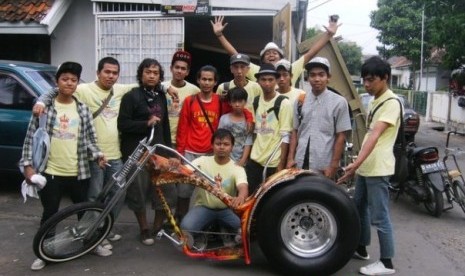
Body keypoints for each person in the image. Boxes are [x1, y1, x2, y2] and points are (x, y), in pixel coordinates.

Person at [32, 57, 138, 250]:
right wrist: (41, 101)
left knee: (117, 194)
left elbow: (146, 82)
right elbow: (59, 89)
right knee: (92, 198)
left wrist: (166, 88)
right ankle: (86, 236)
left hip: (112, 155)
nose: (111, 76)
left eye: (115, 73)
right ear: (98, 73)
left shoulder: (118, 90)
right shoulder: (82, 90)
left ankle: (104, 229)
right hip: (87, 159)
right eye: (107, 72)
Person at [20, 62, 109, 270]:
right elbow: (30, 139)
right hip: (51, 172)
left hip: (78, 172)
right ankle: (44, 251)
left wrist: (98, 155)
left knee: (84, 211)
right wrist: (27, 166)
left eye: (73, 80)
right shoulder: (44, 109)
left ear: (78, 83)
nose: (69, 83)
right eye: (65, 79)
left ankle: (90, 243)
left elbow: (90, 140)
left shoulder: (83, 110)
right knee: (50, 213)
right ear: (57, 81)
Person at [337, 56, 400, 275]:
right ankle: (362, 247)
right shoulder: (374, 100)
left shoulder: (391, 103)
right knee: (358, 207)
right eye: (364, 80)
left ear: (385, 78)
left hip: (378, 168)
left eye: (371, 80)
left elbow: (374, 136)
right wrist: (358, 165)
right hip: (366, 166)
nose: (366, 84)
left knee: (380, 217)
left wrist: (354, 164)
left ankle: (387, 262)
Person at [117, 58, 177, 246]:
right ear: (141, 74)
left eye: (155, 73)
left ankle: (157, 226)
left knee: (167, 190)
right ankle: (144, 229)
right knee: (138, 192)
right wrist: (145, 123)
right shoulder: (131, 96)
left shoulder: (160, 96)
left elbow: (165, 126)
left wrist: (170, 152)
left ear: (160, 76)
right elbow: (122, 124)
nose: (152, 76)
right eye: (148, 72)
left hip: (159, 152)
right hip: (137, 153)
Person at [210, 15, 339, 85]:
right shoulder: (257, 71)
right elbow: (236, 56)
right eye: (268, 53)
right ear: (262, 60)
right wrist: (219, 35)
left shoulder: (290, 69)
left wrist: (328, 35)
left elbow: (310, 54)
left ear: (281, 57)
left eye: (275, 53)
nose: (271, 55)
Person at [180, 128, 248, 247]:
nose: (222, 147)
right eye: (218, 144)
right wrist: (176, 164)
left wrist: (241, 197)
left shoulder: (237, 167)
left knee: (245, 227)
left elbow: (243, 186)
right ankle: (203, 232)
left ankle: (224, 229)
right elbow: (183, 170)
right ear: (212, 145)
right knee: (186, 227)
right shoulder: (202, 161)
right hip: (204, 207)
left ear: (232, 147)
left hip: (227, 209)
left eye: (226, 144)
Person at [287, 57, 351, 179]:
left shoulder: (339, 102)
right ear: (308, 78)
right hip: (300, 162)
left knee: (321, 197)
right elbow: (295, 131)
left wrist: (333, 165)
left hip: (323, 164)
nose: (316, 79)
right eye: (312, 75)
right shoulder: (300, 100)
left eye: (321, 75)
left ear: (328, 77)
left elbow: (341, 136)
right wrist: (290, 158)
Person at [245, 63, 292, 193]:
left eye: (270, 80)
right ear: (258, 81)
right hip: (254, 160)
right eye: (263, 79)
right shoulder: (255, 101)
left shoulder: (284, 103)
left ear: (276, 80)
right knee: (250, 197)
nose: (267, 83)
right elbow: (253, 131)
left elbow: (286, 136)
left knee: (270, 199)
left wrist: (281, 165)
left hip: (273, 162)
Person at [162, 51, 200, 146]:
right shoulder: (162, 87)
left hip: (184, 141)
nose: (179, 71)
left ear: (187, 72)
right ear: (171, 68)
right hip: (162, 138)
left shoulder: (195, 91)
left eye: (183, 69)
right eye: (177, 67)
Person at [218, 87, 253, 167]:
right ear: (230, 102)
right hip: (224, 159)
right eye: (234, 101)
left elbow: (248, 141)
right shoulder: (224, 119)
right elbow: (219, 139)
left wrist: (243, 160)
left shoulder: (248, 122)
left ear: (245, 102)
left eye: (240, 101)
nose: (237, 104)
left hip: (240, 160)